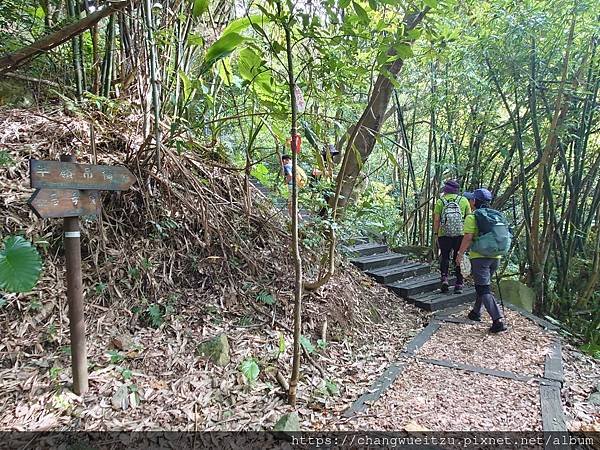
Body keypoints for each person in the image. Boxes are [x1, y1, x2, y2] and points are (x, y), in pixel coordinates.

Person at [456, 188, 508, 333]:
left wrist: (460, 254)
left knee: (483, 288)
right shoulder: (495, 216)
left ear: (473, 201)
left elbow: (468, 237)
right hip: (495, 257)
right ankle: (476, 312)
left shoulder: (472, 217)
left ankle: (498, 320)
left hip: (480, 257)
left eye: (471, 199)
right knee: (482, 285)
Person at [433, 180, 471, 293]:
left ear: (446, 190)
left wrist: (436, 233)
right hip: (460, 234)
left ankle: (444, 278)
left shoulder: (440, 201)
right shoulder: (463, 200)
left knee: (445, 257)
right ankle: (459, 284)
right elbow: (469, 218)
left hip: (444, 234)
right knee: (458, 257)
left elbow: (436, 220)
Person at [281, 155, 307, 220]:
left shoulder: (287, 166)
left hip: (291, 186)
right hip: (297, 186)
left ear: (284, 160)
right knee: (293, 204)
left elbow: (290, 175)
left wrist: (285, 182)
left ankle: (297, 221)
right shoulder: (295, 166)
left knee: (290, 205)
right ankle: (299, 220)